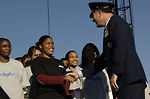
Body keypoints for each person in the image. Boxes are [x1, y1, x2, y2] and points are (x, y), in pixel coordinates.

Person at [66, 2, 147, 99]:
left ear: (99, 13)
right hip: (123, 83)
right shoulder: (110, 27)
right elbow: (104, 59)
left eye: (93, 16)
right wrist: (79, 74)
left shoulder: (117, 23)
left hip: (130, 81)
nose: (93, 20)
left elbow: (121, 47)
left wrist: (115, 72)